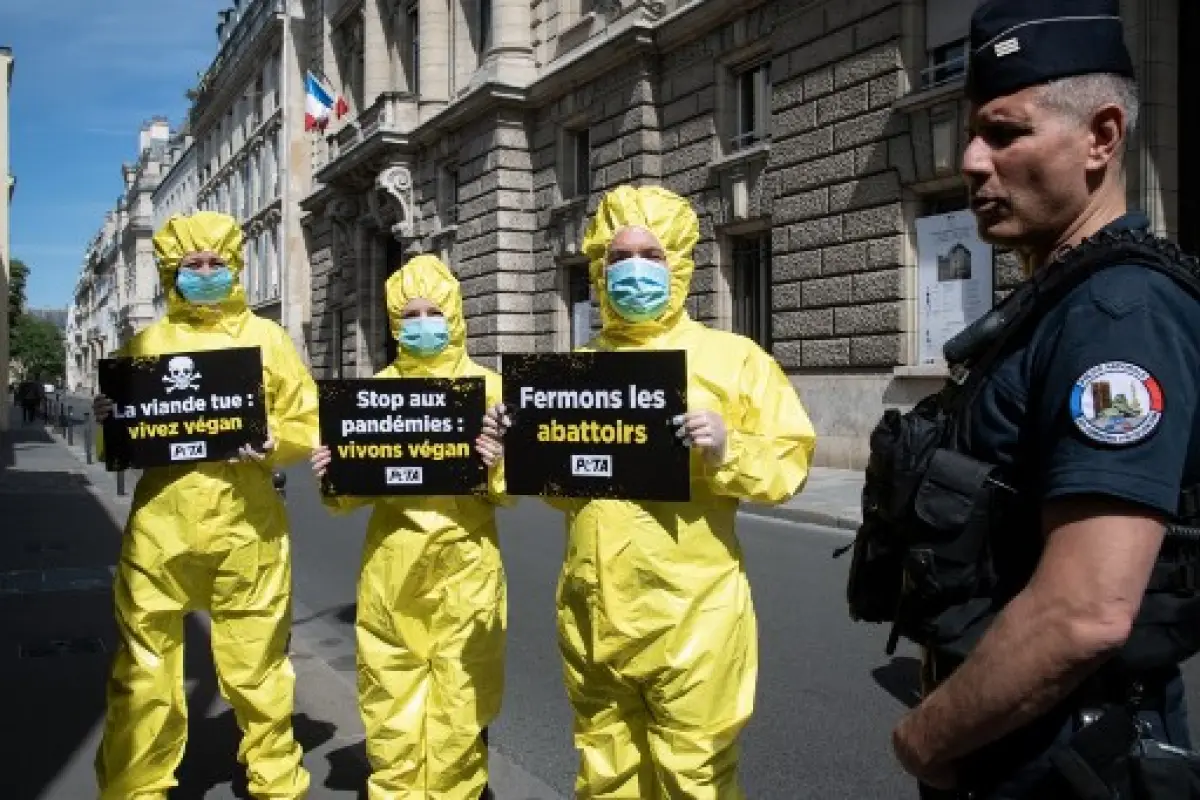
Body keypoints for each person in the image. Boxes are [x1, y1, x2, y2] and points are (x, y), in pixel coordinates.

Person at [879, 1, 1199, 797]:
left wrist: (925, 737)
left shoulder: (1119, 316)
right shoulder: (1055, 300)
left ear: (1101, 137)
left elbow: (1084, 609)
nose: (973, 162)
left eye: (1005, 132)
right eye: (972, 134)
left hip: (1067, 759)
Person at [475, 184, 817, 798]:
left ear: (679, 262)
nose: (634, 269)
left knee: (695, 777)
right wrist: (507, 452)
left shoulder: (731, 359)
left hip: (693, 614)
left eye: (651, 256)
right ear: (601, 270)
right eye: (619, 256)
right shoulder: (576, 370)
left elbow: (789, 464)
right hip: (593, 611)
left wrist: (725, 447)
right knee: (606, 773)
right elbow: (565, 491)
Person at [92, 211, 318, 799]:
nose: (205, 272)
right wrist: (107, 423)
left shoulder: (267, 338)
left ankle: (276, 784)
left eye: (216, 263)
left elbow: (306, 418)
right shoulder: (147, 342)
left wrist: (278, 442)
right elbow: (123, 439)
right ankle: (135, 787)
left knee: (257, 668)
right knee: (144, 672)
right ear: (171, 270)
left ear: (234, 265)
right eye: (192, 265)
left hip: (247, 528)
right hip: (160, 529)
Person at [311, 255, 509, 800]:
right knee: (391, 712)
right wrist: (335, 475)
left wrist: (497, 461)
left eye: (433, 311)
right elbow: (350, 496)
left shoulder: (487, 390)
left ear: (455, 314)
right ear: (396, 324)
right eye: (410, 314)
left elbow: (520, 488)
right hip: (391, 573)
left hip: (465, 572)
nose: (422, 323)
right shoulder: (373, 392)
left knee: (459, 714)